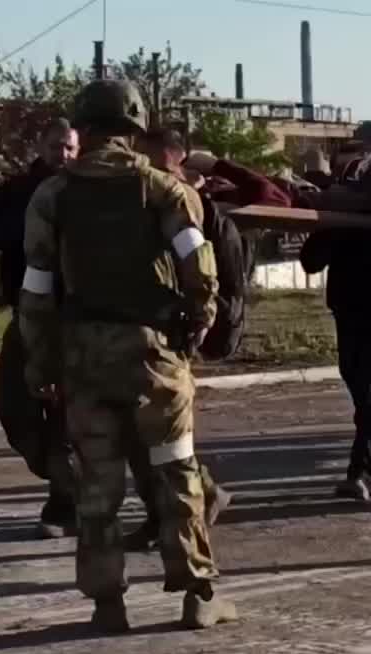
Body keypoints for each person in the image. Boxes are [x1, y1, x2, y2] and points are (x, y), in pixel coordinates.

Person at [20, 80, 235, 632]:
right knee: (176, 473)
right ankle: (198, 595)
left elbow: (37, 291)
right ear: (137, 130)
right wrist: (196, 323)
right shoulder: (167, 190)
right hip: (153, 359)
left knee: (97, 484)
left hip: (84, 361)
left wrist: (40, 362)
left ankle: (107, 604)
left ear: (83, 131)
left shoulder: (52, 197)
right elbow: (199, 267)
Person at [120, 128, 234, 552]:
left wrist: (205, 314)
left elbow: (206, 260)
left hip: (164, 330)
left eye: (153, 158)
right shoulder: (136, 194)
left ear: (174, 158)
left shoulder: (178, 197)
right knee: (139, 438)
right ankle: (165, 513)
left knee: (166, 439)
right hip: (130, 327)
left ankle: (190, 518)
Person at [299, 144, 371, 501]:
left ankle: (360, 473)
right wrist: (329, 225)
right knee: (364, 394)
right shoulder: (338, 214)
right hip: (347, 310)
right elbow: (310, 261)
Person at [0, 119, 80, 539]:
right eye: (58, 146)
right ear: (42, 145)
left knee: (64, 415)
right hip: (27, 314)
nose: (65, 154)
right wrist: (35, 223)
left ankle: (64, 505)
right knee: (7, 396)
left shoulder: (88, 192)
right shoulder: (19, 190)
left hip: (74, 318)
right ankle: (66, 479)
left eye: (72, 147)